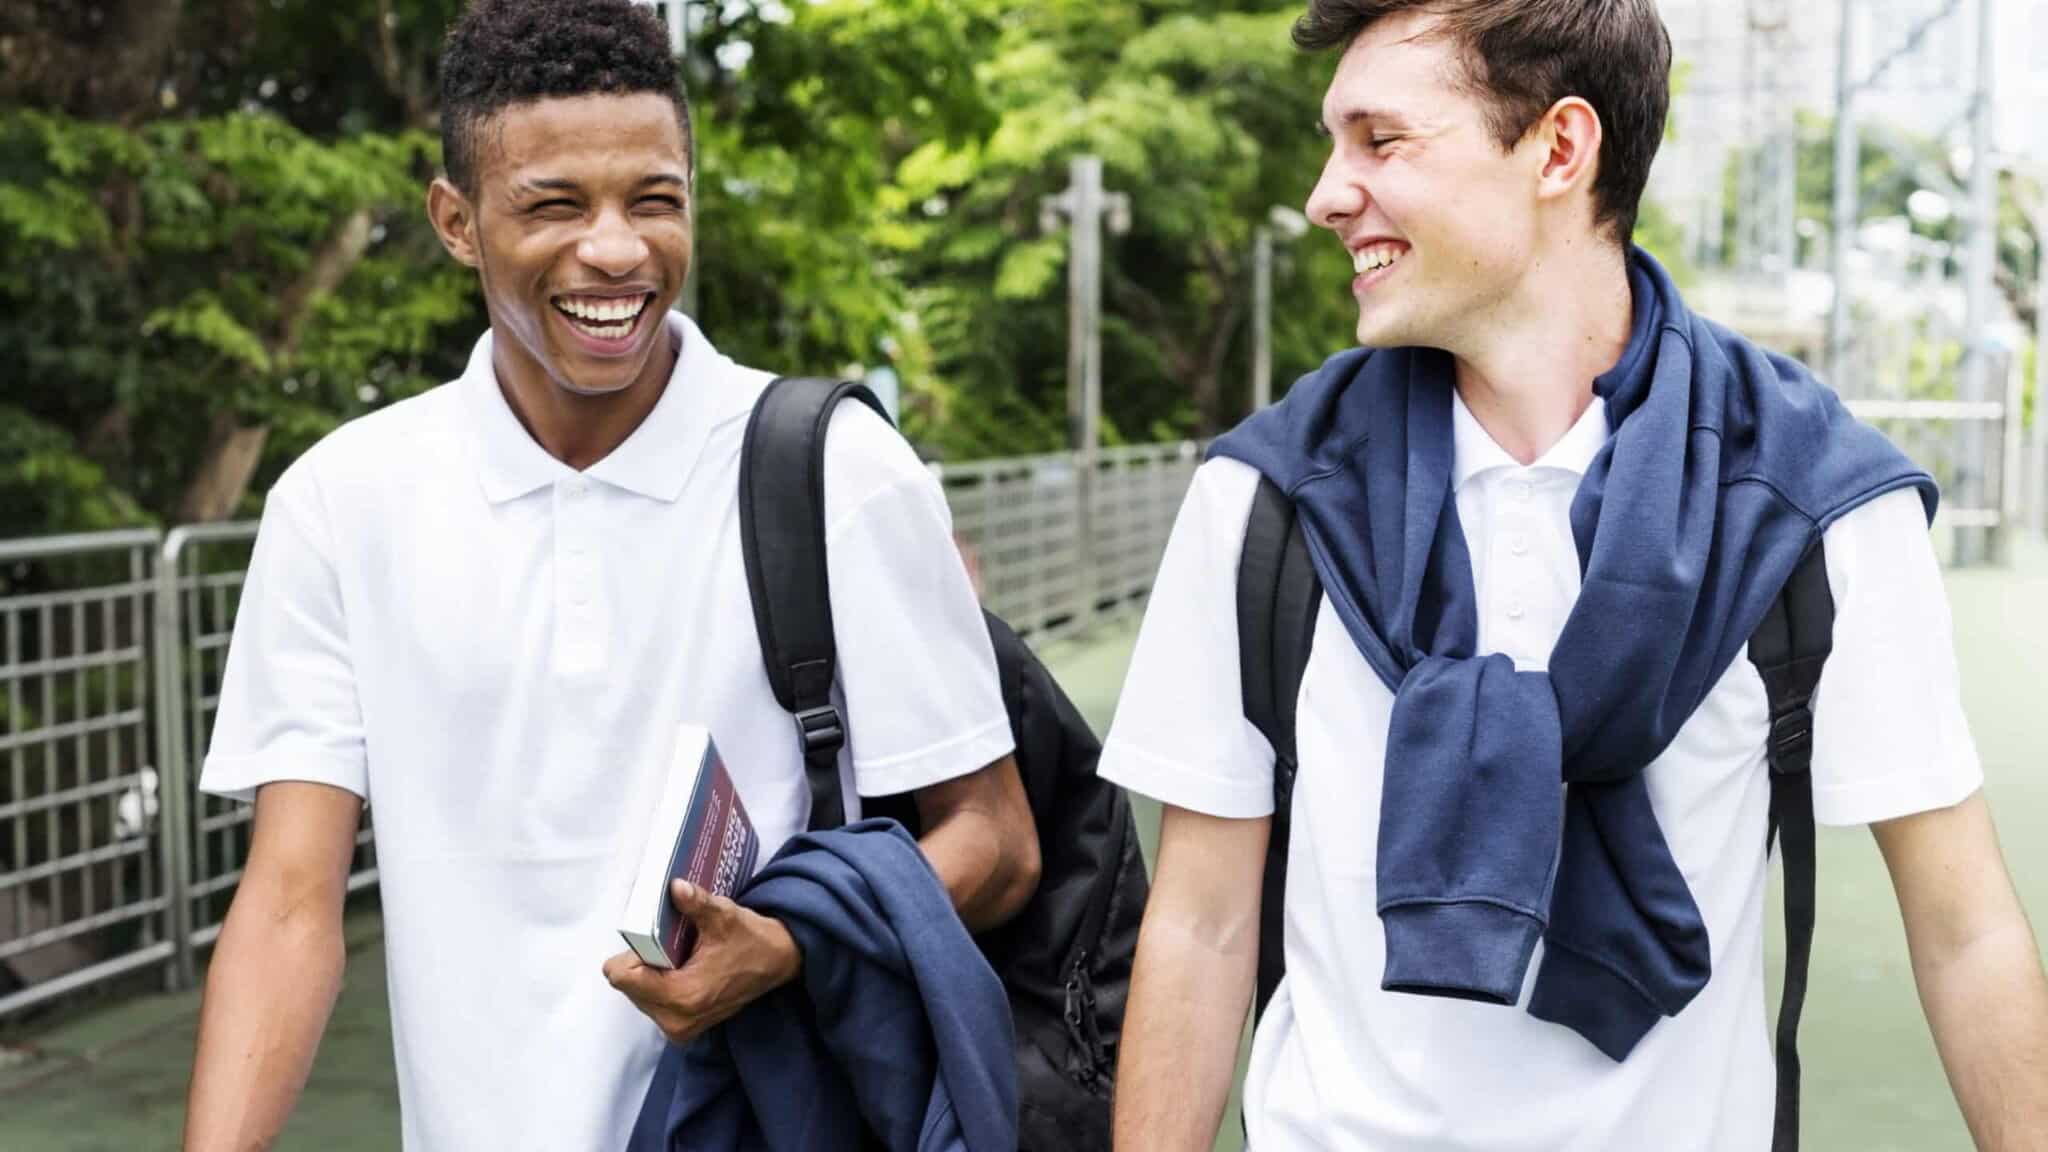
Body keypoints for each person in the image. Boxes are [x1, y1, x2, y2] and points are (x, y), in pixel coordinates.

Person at [1100, 2, 2048, 1150]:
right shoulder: (1269, 497)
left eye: (1380, 141)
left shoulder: (1807, 500)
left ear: (1558, 148)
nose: (1326, 193)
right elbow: (1198, 925)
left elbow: (1961, 929)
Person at [181, 2, 1038, 1148]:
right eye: (552, 205)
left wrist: (783, 948)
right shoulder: (342, 502)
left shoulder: (835, 468)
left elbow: (994, 837)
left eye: (654, 199)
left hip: (765, 1115)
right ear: (455, 221)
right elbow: (289, 902)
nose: (617, 249)